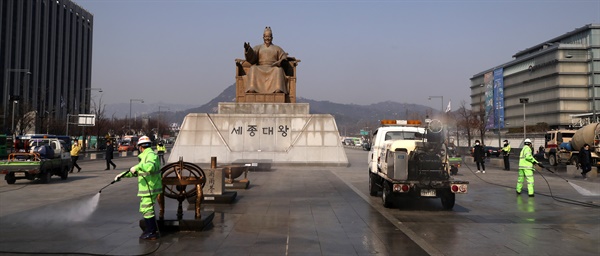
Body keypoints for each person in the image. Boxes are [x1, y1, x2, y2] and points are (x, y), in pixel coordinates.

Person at [114, 136, 163, 240]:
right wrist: (122, 175)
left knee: (147, 208)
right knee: (146, 208)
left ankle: (152, 232)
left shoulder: (150, 155)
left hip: (150, 187)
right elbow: (138, 172)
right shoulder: (146, 155)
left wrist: (136, 167)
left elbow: (149, 167)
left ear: (140, 147)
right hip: (149, 186)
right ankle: (150, 229)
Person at [242, 26, 288, 94]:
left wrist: (280, 61)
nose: (267, 38)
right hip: (260, 67)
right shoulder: (258, 47)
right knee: (253, 68)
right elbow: (252, 56)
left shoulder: (277, 48)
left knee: (278, 70)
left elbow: (284, 56)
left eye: (269, 36)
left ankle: (278, 88)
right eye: (266, 36)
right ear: (263, 37)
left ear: (272, 37)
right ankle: (252, 88)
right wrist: (248, 49)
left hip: (272, 67)